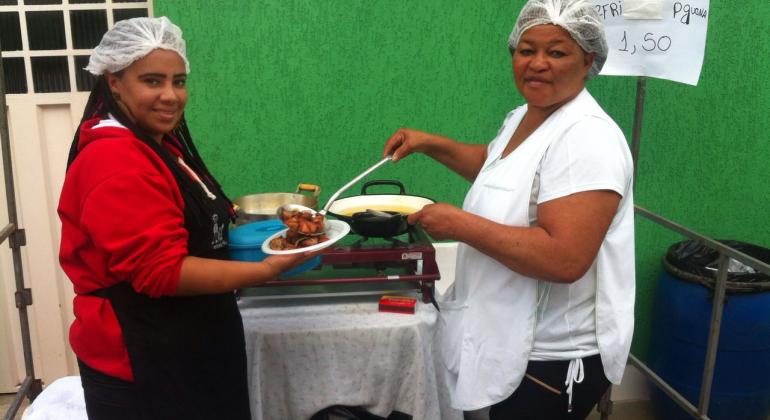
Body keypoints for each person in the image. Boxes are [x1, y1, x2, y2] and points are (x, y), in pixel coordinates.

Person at [382, 1, 635, 419]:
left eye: (557, 52)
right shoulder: (527, 115)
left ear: (588, 59)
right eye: (526, 50)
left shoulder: (588, 139)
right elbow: (500, 168)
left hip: (551, 359)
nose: (537, 64)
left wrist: (458, 224)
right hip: (505, 332)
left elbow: (565, 258)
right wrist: (430, 144)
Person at [58, 17, 315, 420]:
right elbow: (162, 272)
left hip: (189, 342)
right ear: (113, 81)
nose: (171, 95)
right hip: (145, 361)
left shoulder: (156, 144)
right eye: (153, 81)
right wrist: (266, 269)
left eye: (178, 81)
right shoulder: (116, 161)